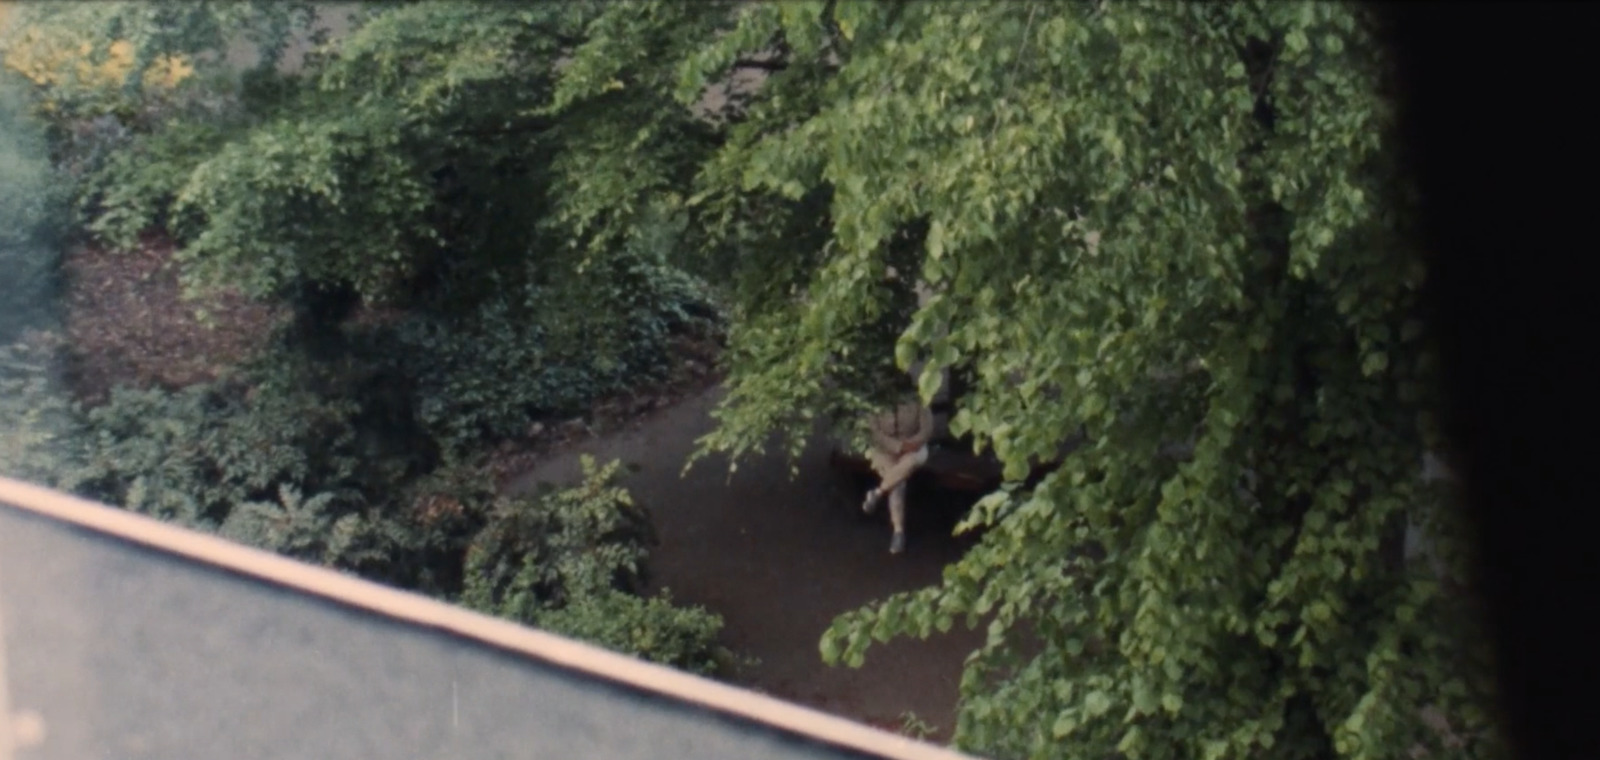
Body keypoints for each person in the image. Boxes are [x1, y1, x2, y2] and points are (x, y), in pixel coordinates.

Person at [861, 399, 935, 554]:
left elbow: (927, 429)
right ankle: (898, 531)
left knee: (909, 463)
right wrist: (897, 446)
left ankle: (878, 492)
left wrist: (912, 444)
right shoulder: (876, 399)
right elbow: (874, 433)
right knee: (898, 483)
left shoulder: (918, 399)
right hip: (885, 450)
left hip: (914, 448)